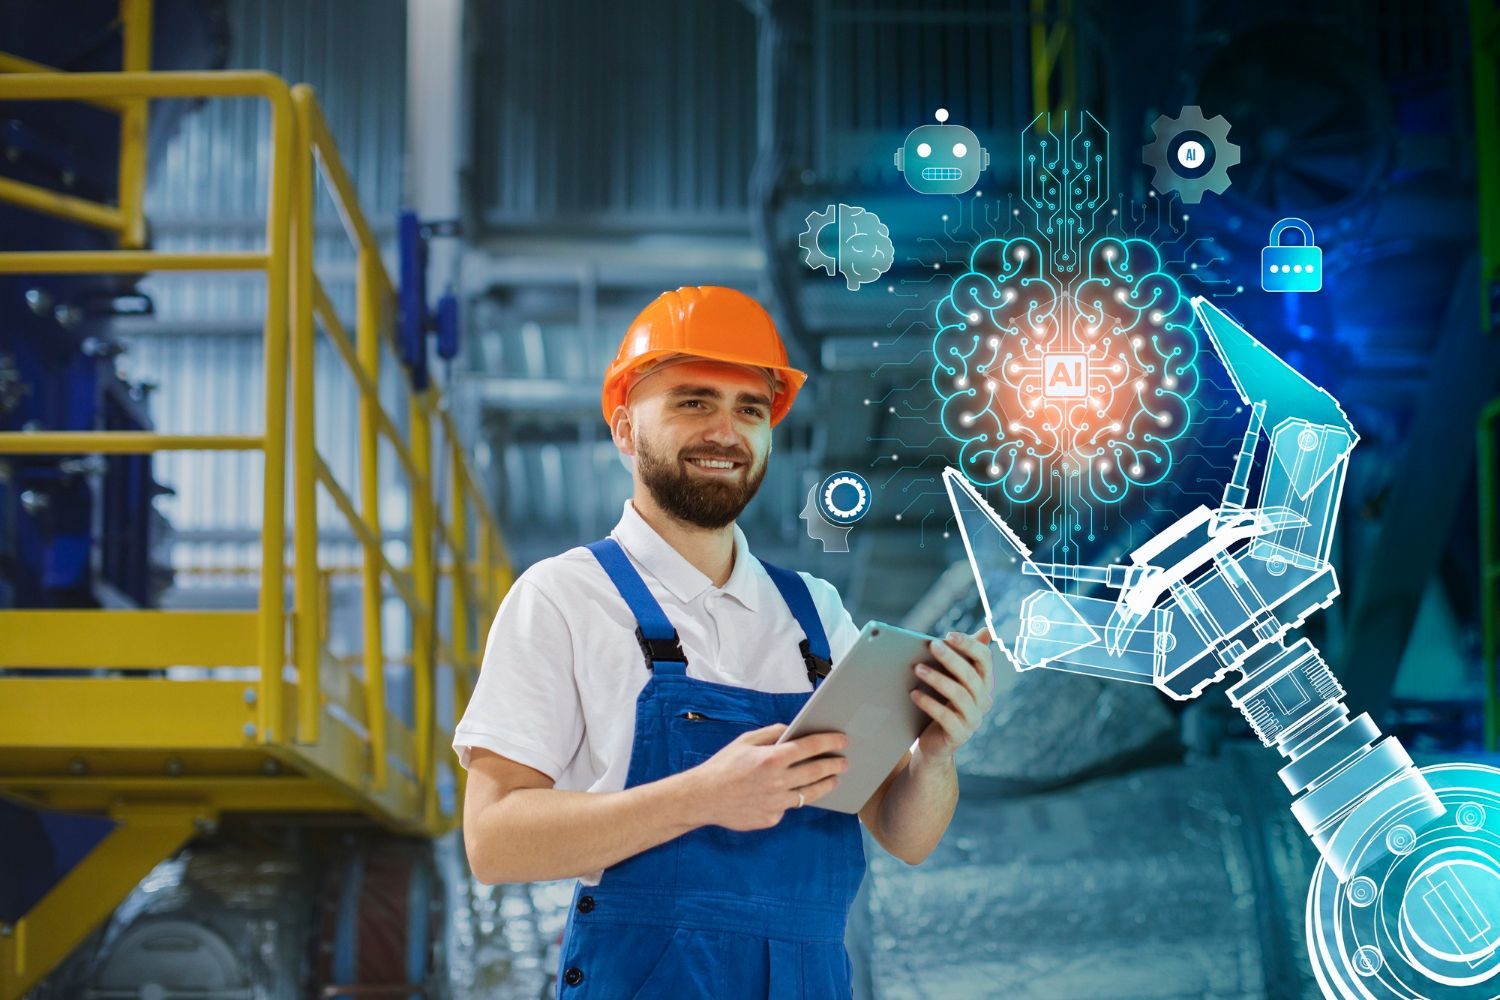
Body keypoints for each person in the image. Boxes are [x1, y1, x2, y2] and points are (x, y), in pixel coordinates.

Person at [455, 285, 995, 997]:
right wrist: (699, 798)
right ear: (624, 429)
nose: (726, 431)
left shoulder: (816, 615)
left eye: (751, 409)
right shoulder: (562, 598)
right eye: (693, 401)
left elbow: (905, 835)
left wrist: (936, 753)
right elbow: (493, 841)